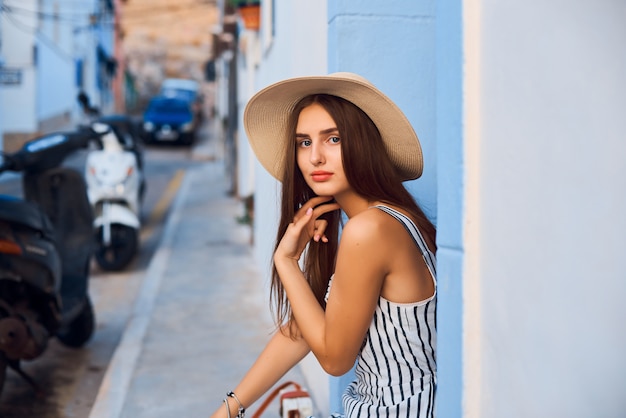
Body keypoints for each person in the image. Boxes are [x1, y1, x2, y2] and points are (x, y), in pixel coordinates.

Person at [210, 72, 437, 418]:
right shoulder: (377, 220)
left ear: (362, 144)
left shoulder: (371, 229)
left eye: (332, 139)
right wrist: (229, 408)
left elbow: (334, 359)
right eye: (304, 142)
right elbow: (303, 328)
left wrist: (286, 261)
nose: (315, 157)